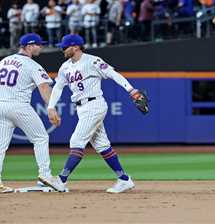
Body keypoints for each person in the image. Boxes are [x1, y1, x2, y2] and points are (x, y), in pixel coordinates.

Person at [39, 34, 145, 193]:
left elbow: (113, 74)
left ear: (75, 47)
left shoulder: (92, 61)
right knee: (102, 146)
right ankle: (124, 179)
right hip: (82, 108)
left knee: (76, 140)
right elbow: (59, 87)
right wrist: (51, 107)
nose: (62, 49)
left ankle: (61, 180)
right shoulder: (65, 67)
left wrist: (131, 90)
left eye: (65, 47)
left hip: (94, 104)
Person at [0, 33, 57, 193]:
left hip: (1, 105)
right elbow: (44, 87)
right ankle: (45, 176)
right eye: (39, 44)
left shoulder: (3, 61)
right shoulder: (32, 65)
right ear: (30, 46)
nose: (41, 47)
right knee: (41, 138)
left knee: (0, 146)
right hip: (19, 105)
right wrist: (51, 107)